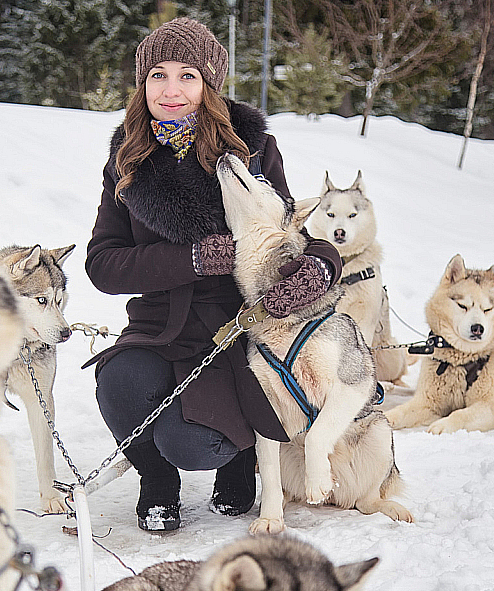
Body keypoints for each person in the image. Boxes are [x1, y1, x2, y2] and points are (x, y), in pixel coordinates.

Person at [83, 17, 342, 532]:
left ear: (210, 84)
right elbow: (102, 264)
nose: (171, 90)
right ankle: (156, 482)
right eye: (158, 74)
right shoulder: (128, 159)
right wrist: (193, 259)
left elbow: (289, 227)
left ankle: (239, 458)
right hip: (159, 329)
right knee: (118, 381)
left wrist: (320, 265)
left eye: (187, 75)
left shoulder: (252, 150)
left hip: (235, 332)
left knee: (192, 443)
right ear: (143, 84)